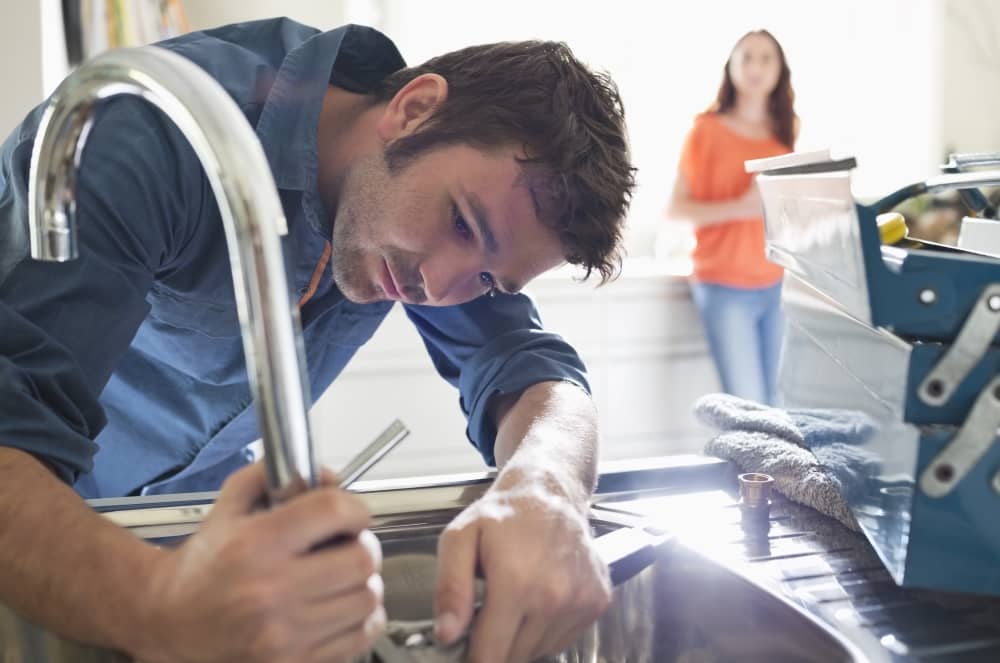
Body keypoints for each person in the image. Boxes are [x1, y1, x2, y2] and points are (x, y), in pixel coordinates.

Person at [0, 18, 635, 663]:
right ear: (414, 110)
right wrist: (158, 604)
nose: (438, 287)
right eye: (463, 225)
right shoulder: (146, 136)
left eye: (487, 280)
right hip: (41, 525)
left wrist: (547, 487)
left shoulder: (408, 210)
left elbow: (529, 367)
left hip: (188, 513)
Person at [666, 29, 797, 406]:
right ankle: (748, 469)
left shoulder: (785, 133)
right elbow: (676, 209)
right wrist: (742, 206)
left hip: (776, 283)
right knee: (748, 404)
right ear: (731, 67)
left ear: (780, 70)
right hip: (723, 285)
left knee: (778, 403)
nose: (756, 67)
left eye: (766, 58)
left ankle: (776, 470)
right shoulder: (705, 130)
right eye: (747, 57)